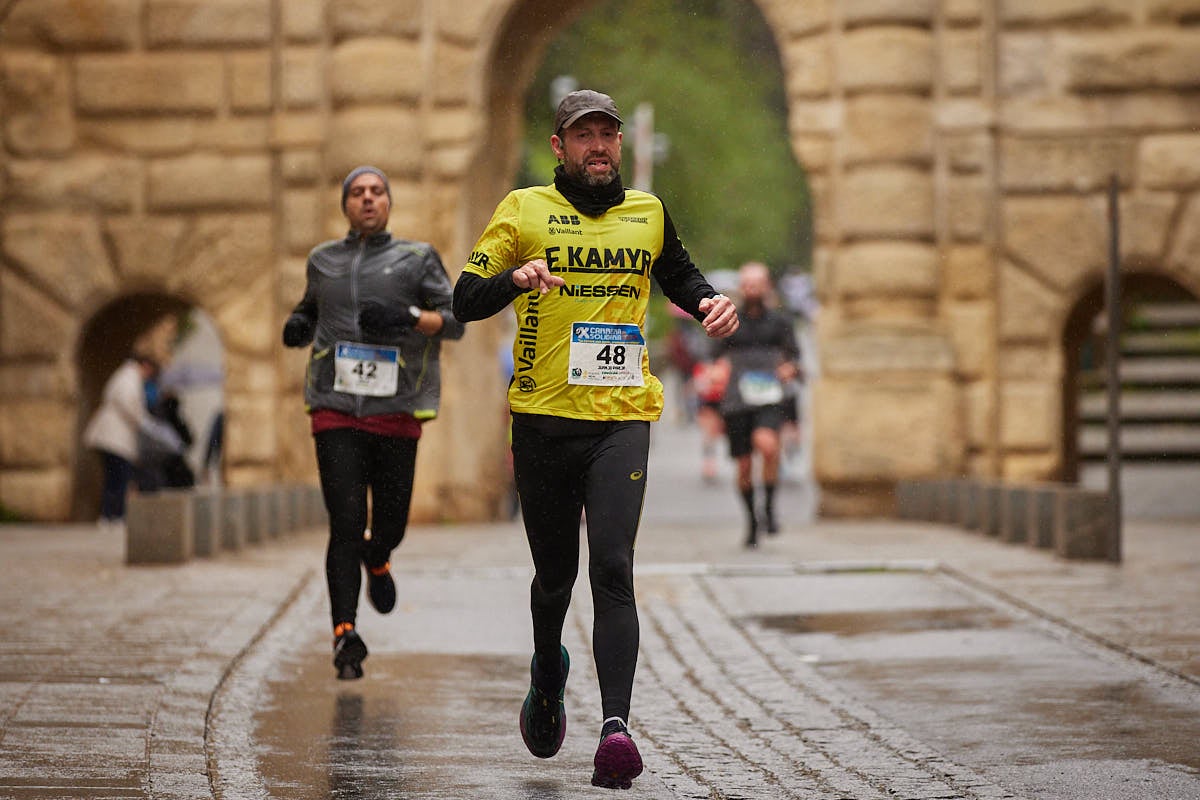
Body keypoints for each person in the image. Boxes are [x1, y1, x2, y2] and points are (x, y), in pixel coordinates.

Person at [452, 89, 738, 790]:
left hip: (621, 416)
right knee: (555, 578)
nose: (600, 146)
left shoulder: (648, 213)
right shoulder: (522, 211)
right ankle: (547, 670)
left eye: (609, 134)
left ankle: (615, 730)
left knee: (613, 566)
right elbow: (463, 298)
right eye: (585, 135)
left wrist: (708, 304)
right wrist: (515, 278)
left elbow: (680, 274)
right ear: (559, 146)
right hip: (545, 421)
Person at [282, 165, 465, 680]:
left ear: (389, 202)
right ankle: (345, 634)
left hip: (395, 410)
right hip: (333, 405)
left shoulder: (417, 258)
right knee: (343, 523)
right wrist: (299, 324)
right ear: (345, 204)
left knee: (389, 524)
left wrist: (409, 318)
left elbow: (455, 323)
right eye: (357, 193)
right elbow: (311, 307)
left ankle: (379, 558)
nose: (367, 199)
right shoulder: (323, 261)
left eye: (376, 192)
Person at [712, 262, 802, 548]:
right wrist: (717, 371)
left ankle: (770, 508)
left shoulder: (780, 322)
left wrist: (789, 369)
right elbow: (714, 356)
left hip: (769, 397)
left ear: (767, 287)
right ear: (741, 287)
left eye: (757, 284)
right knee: (744, 465)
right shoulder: (730, 321)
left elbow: (794, 358)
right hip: (737, 399)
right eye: (747, 284)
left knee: (768, 446)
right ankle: (751, 521)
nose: (752, 289)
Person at [83, 353, 159, 528]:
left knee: (115, 477)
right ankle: (112, 516)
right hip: (114, 437)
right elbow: (128, 403)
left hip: (113, 437)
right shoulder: (129, 377)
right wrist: (142, 421)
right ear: (145, 365)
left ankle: (110, 515)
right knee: (118, 477)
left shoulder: (126, 376)